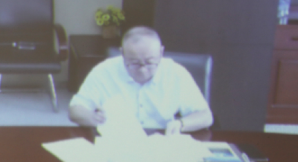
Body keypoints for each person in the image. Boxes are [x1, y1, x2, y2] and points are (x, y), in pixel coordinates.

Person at [68, 26, 213, 135]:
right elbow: (75, 109)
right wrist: (93, 118)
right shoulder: (104, 71)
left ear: (161, 52)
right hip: (118, 140)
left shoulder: (176, 73)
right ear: (122, 53)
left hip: (161, 141)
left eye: (150, 62)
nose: (143, 70)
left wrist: (181, 124)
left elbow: (205, 116)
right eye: (135, 63)